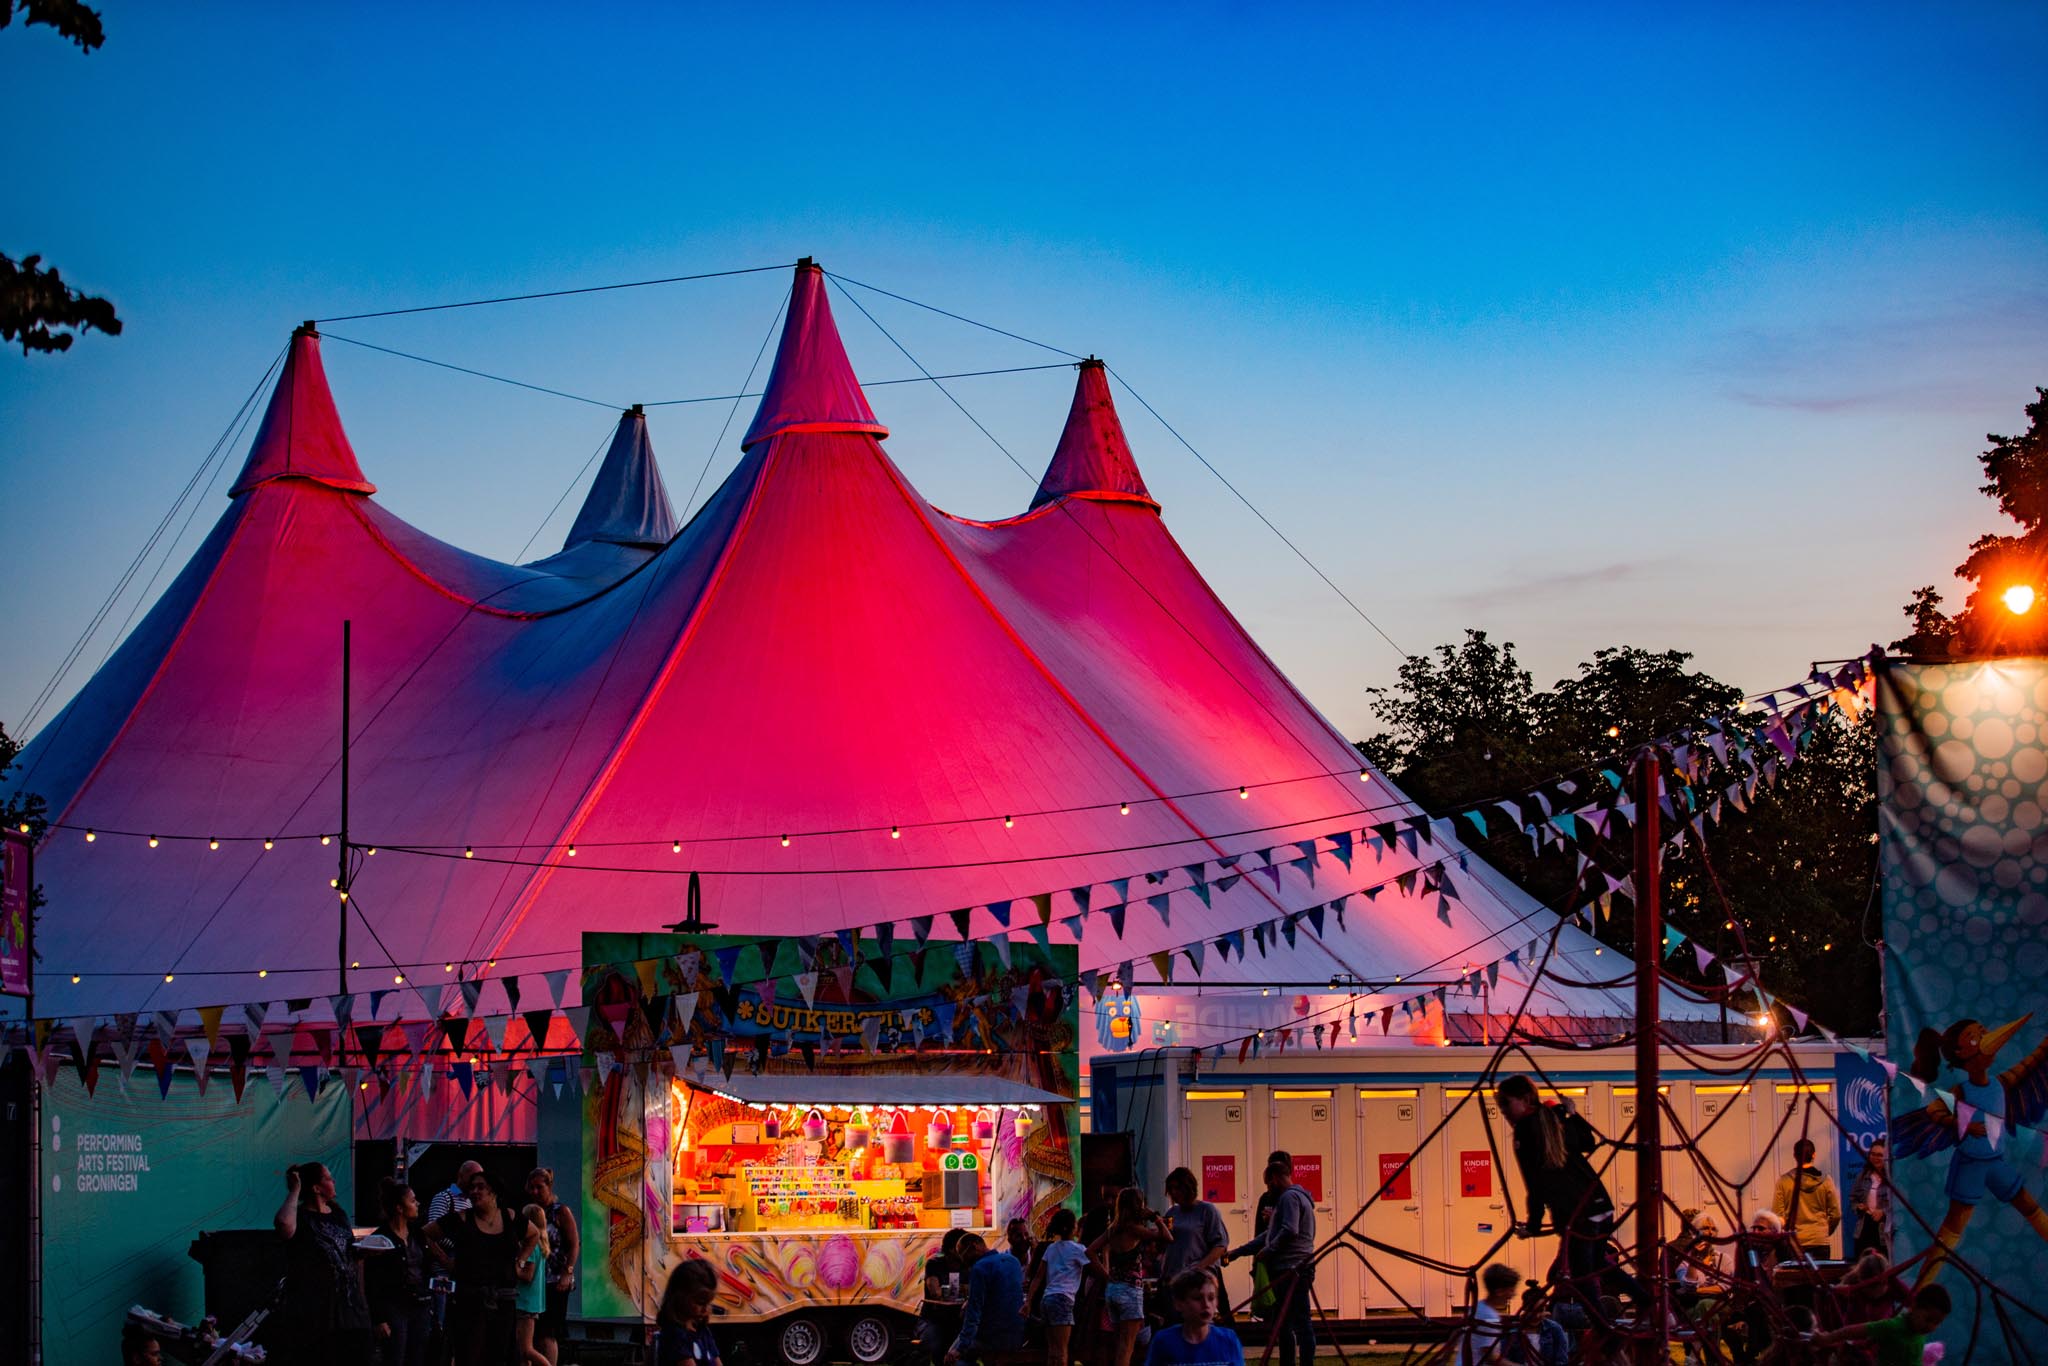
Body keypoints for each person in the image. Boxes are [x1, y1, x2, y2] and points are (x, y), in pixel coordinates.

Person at [1495, 1075, 1631, 1308]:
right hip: (1599, 1203)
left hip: (1576, 1211)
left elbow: (1536, 1184)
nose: (1503, 1111)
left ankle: (1601, 1326)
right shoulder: (1556, 1119)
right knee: (1598, 1263)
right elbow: (1587, 1142)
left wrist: (1533, 1226)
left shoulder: (1527, 1131)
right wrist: (1572, 1114)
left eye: (1506, 1104)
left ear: (1525, 1099)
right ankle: (1646, 1300)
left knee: (1581, 1274)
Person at [274, 1160, 373, 1366]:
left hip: (349, 1309)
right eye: (328, 1178)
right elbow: (284, 1225)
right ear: (316, 1188)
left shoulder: (338, 1214)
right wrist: (295, 1189)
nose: (334, 1181)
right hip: (318, 1313)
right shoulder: (300, 1217)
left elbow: (351, 1255)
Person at [421, 1169, 522, 1366]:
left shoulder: (508, 1216)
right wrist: (447, 1262)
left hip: (502, 1300)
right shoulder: (462, 1217)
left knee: (501, 1353)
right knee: (471, 1352)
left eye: (480, 1187)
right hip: (471, 1299)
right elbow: (426, 1232)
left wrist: (521, 1261)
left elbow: (534, 1234)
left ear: (493, 1192)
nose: (474, 1191)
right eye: (472, 1187)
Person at [1224, 1161, 1316, 1366]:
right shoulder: (1299, 1197)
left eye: (1268, 1184)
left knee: (1295, 1324)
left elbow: (1289, 1230)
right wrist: (1239, 1252)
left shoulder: (1289, 1197)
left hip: (1291, 1269)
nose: (1268, 1189)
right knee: (1289, 1323)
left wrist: (1268, 1250)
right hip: (1297, 1267)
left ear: (1274, 1178)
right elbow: (1270, 1234)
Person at [1091, 1188, 1171, 1366]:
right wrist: (1155, 1217)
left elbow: (1089, 1251)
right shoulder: (1134, 1230)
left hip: (1112, 1291)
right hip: (1130, 1291)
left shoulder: (1113, 1229)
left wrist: (1106, 1277)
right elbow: (1168, 1237)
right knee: (1127, 1348)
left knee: (1119, 1343)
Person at [368, 1179, 433, 1366]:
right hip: (394, 1308)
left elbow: (424, 1267)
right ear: (399, 1208)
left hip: (419, 1305)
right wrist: (378, 1318)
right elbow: (372, 1281)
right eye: (412, 1201)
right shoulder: (380, 1238)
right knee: (395, 1357)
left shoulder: (417, 1234)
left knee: (417, 1357)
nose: (417, 1204)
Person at [1812, 1282, 1951, 1365]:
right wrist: (1828, 1338)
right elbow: (1854, 1330)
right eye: (1928, 1320)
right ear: (1914, 1307)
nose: (1931, 1327)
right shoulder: (1893, 1326)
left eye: (1937, 1323)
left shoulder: (1918, 1331)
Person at [524, 1167, 579, 1366]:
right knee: (533, 1333)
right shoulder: (530, 1212)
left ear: (549, 1187)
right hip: (534, 1280)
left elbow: (574, 1244)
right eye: (532, 1188)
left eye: (539, 1187)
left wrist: (568, 1272)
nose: (535, 1192)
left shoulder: (560, 1212)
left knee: (548, 1332)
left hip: (555, 1281)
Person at [947, 1232, 1026, 1364]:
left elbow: (974, 1315)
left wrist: (959, 1349)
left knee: (952, 1358)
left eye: (963, 1254)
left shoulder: (980, 1268)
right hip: (1017, 1336)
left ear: (974, 1246)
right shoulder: (1013, 1261)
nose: (964, 1260)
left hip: (993, 1338)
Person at [1026, 1208, 1089, 1366]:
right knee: (1062, 1351)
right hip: (1063, 1299)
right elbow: (1093, 1267)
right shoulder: (1078, 1249)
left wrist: (1028, 1301)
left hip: (1047, 1300)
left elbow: (1038, 1277)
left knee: (1052, 1350)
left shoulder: (1051, 1248)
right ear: (1072, 1227)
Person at [1143, 1267, 1245, 1365]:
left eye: (1211, 1298)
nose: (1206, 1304)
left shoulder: (1228, 1340)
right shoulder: (1163, 1342)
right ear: (1178, 1303)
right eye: (1197, 1298)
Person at [1159, 1167, 1228, 1289]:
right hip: (1174, 1274)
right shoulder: (1172, 1213)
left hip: (1197, 1276)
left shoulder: (1207, 1210)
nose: (1174, 1192)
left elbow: (1220, 1245)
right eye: (1171, 1189)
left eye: (1177, 1188)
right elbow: (1165, 1242)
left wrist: (1199, 1267)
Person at [1771, 1138, 1840, 1258]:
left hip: (1795, 1242)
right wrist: (1824, 1232)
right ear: (1814, 1155)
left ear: (1794, 1156)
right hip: (1820, 1241)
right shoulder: (1826, 1181)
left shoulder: (1784, 1182)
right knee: (1820, 1276)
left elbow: (1778, 1217)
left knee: (1797, 1277)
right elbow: (1836, 1214)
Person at [653, 1258, 723, 1366]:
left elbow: (717, 1361)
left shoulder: (702, 1331)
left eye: (708, 1303)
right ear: (680, 1298)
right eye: (700, 1303)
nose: (705, 1309)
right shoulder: (675, 1335)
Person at [917, 1226, 970, 1354]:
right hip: (934, 1318)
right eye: (965, 1247)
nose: (968, 1251)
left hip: (960, 1318)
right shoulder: (935, 1264)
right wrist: (963, 1289)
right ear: (953, 1249)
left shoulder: (968, 1265)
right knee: (935, 1344)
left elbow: (976, 1290)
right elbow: (936, 1293)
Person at [1455, 1263, 1521, 1364]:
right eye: (1511, 1290)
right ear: (1499, 1292)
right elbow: (1490, 1356)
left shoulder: (1477, 1307)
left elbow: (1456, 1332)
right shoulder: (1490, 1317)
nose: (1514, 1294)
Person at [513, 1203, 552, 1366]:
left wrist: (512, 1267)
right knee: (521, 1352)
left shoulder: (531, 1246)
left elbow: (527, 1275)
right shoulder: (542, 1246)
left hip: (525, 1302)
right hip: (532, 1302)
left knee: (526, 1349)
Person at [1504, 1282, 1571, 1366]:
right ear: (1524, 1308)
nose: (1536, 1315)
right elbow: (1504, 1359)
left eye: (1541, 1310)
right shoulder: (1512, 1330)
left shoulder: (1554, 1329)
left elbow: (1561, 1361)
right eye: (1531, 1310)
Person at [1850, 1140, 1891, 1258]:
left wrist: (1883, 1212)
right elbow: (1853, 1198)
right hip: (1864, 1228)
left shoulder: (1892, 1178)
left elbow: (1899, 1204)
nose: (1875, 1158)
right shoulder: (1863, 1176)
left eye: (1880, 1155)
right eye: (1872, 1154)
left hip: (1883, 1230)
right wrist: (1858, 1206)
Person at [426, 1161, 483, 1226]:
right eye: (472, 1178)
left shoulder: (471, 1202)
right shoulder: (443, 1198)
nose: (475, 1183)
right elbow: (432, 1233)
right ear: (460, 1175)